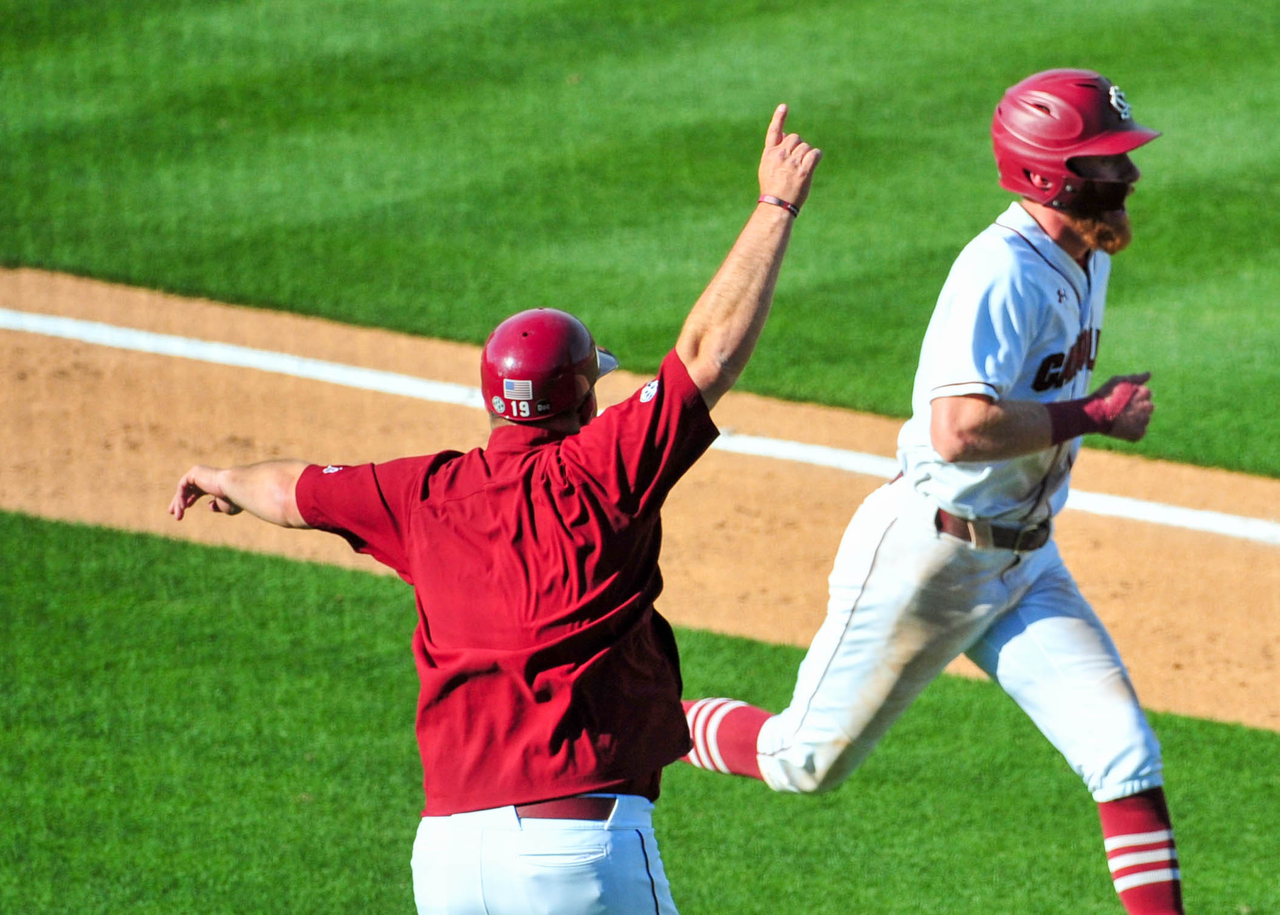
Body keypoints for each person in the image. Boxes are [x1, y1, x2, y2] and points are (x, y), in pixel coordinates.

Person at [168, 104, 821, 915]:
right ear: (582, 399)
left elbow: (292, 489)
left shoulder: (419, 494)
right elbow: (706, 354)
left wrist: (221, 477)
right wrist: (775, 206)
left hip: (445, 861)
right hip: (577, 850)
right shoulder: (603, 470)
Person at [681, 70, 1184, 914]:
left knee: (1125, 756)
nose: (1128, 180)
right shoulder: (1000, 272)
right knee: (802, 762)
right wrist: (1091, 413)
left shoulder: (1084, 248)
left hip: (1024, 563)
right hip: (928, 557)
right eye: (1108, 166)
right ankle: (643, 712)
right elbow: (958, 427)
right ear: (1048, 176)